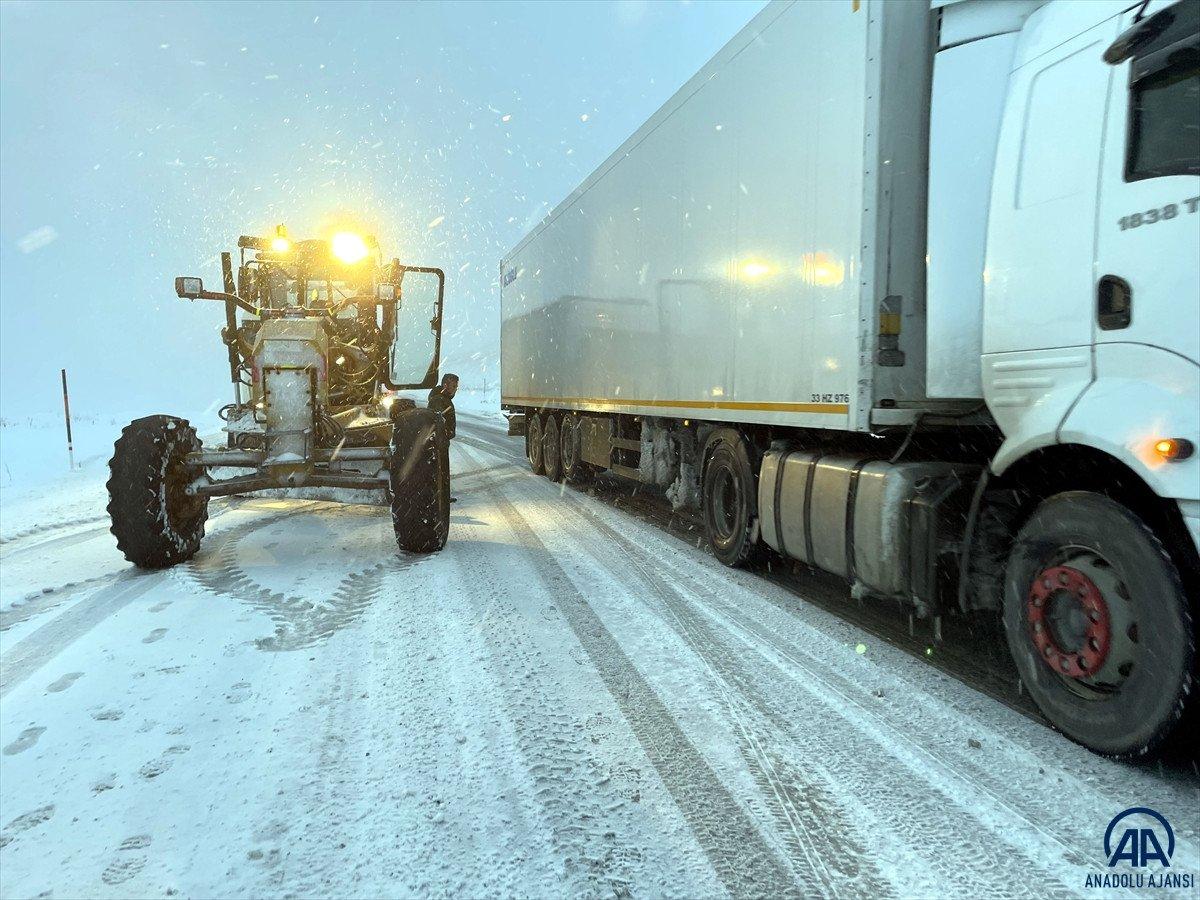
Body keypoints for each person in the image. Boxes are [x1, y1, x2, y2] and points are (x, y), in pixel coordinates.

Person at [427, 373, 458, 439]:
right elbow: (437, 427)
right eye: (454, 386)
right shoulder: (438, 400)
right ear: (445, 385)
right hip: (438, 444)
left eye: (456, 386)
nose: (456, 389)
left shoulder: (444, 399)